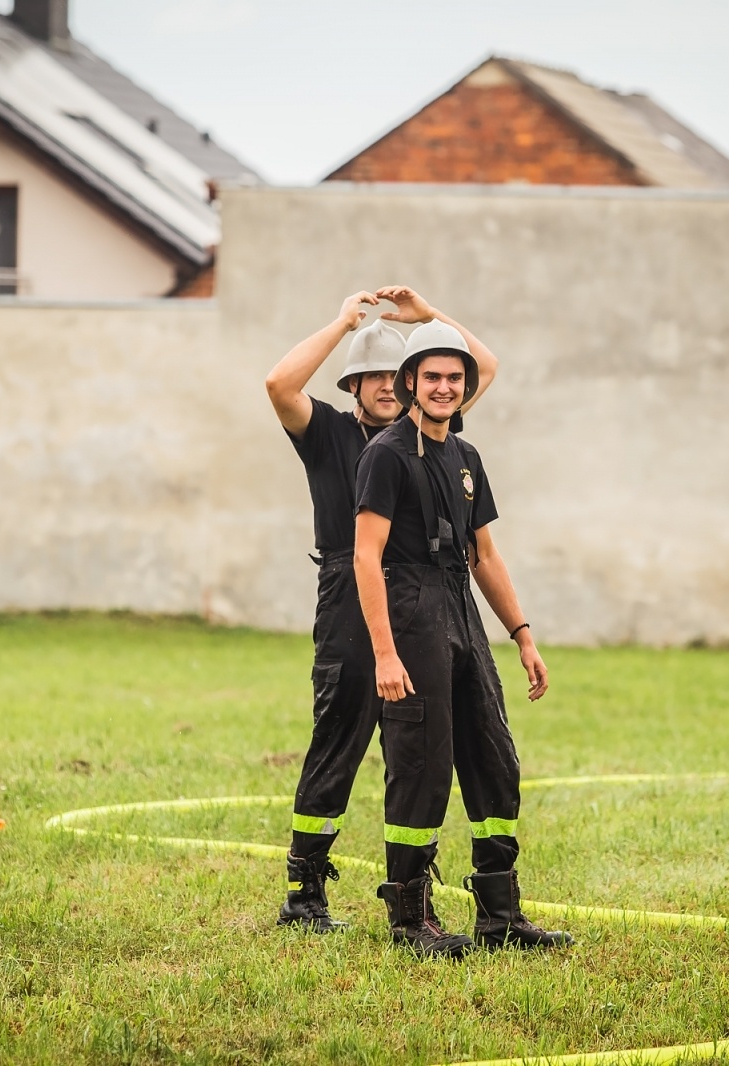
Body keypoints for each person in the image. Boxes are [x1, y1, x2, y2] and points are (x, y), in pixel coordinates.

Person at [265, 287, 499, 932]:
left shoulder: (422, 433)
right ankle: (305, 894)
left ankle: (412, 896)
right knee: (339, 736)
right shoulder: (329, 432)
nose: (386, 389)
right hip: (350, 586)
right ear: (356, 385)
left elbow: (481, 365)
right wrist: (342, 323)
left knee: (418, 747)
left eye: (391, 376)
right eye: (370, 378)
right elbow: (278, 382)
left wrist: (429, 319)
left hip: (421, 597)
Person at [354, 323, 570, 957]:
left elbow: (485, 554)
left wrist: (522, 635)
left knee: (492, 755)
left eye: (455, 378)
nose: (444, 387)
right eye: (432, 377)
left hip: (462, 608)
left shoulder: (467, 458)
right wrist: (385, 652)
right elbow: (367, 557)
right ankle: (408, 919)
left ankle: (500, 915)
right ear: (410, 384)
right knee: (420, 763)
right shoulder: (387, 454)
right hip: (410, 606)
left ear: (464, 385)